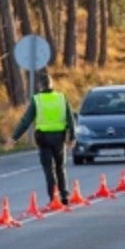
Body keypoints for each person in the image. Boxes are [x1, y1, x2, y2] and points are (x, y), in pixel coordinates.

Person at [9, 73, 75, 205]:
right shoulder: (61, 98)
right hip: (59, 137)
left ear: (40, 86)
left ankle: (53, 197)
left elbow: (26, 121)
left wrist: (14, 137)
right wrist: (72, 136)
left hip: (43, 138)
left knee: (48, 169)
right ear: (52, 84)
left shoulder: (37, 100)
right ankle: (64, 195)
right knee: (60, 167)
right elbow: (70, 118)